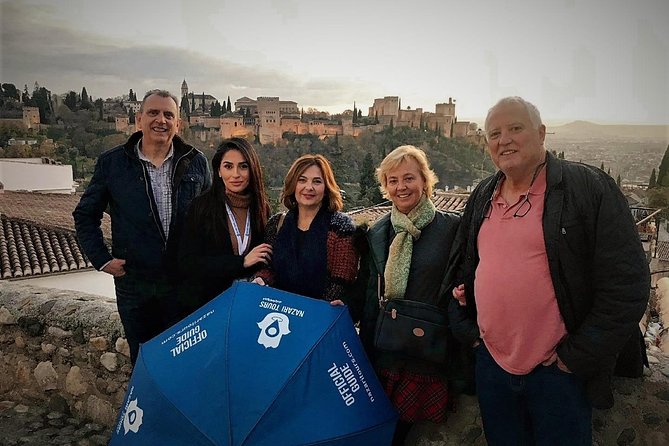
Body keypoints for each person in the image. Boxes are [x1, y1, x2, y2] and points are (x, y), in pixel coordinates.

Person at [448, 96, 649, 445]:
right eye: (494, 133)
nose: (504, 139)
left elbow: (627, 284)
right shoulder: (483, 193)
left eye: (515, 128)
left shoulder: (587, 188)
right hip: (493, 366)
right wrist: (469, 329)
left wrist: (576, 357)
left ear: (541, 133)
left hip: (558, 373)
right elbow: (466, 267)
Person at [73, 89, 212, 365]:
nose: (161, 120)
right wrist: (103, 260)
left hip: (183, 286)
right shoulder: (113, 164)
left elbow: (211, 220)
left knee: (185, 362)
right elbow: (85, 215)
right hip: (136, 287)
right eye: (153, 113)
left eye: (168, 115)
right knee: (145, 363)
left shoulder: (196, 162)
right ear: (139, 120)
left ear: (178, 124)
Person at [357, 145, 460, 446]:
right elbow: (368, 292)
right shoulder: (378, 233)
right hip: (386, 350)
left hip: (426, 353)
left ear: (425, 181)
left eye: (409, 178)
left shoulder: (452, 228)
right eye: (393, 180)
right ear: (385, 187)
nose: (401, 187)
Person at [178, 138, 272, 312]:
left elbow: (266, 259)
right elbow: (188, 263)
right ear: (219, 171)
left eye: (243, 166)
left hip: (248, 305)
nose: (236, 174)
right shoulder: (201, 207)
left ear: (252, 170)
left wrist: (262, 277)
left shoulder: (261, 209)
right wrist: (241, 262)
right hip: (211, 306)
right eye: (228, 166)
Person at [253, 154, 359, 303]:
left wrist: (310, 312)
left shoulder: (341, 227)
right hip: (279, 312)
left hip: (319, 316)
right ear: (293, 184)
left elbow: (341, 281)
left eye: (317, 181)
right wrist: (261, 280)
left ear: (326, 187)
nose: (309, 188)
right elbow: (267, 267)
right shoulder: (277, 223)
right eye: (302, 180)